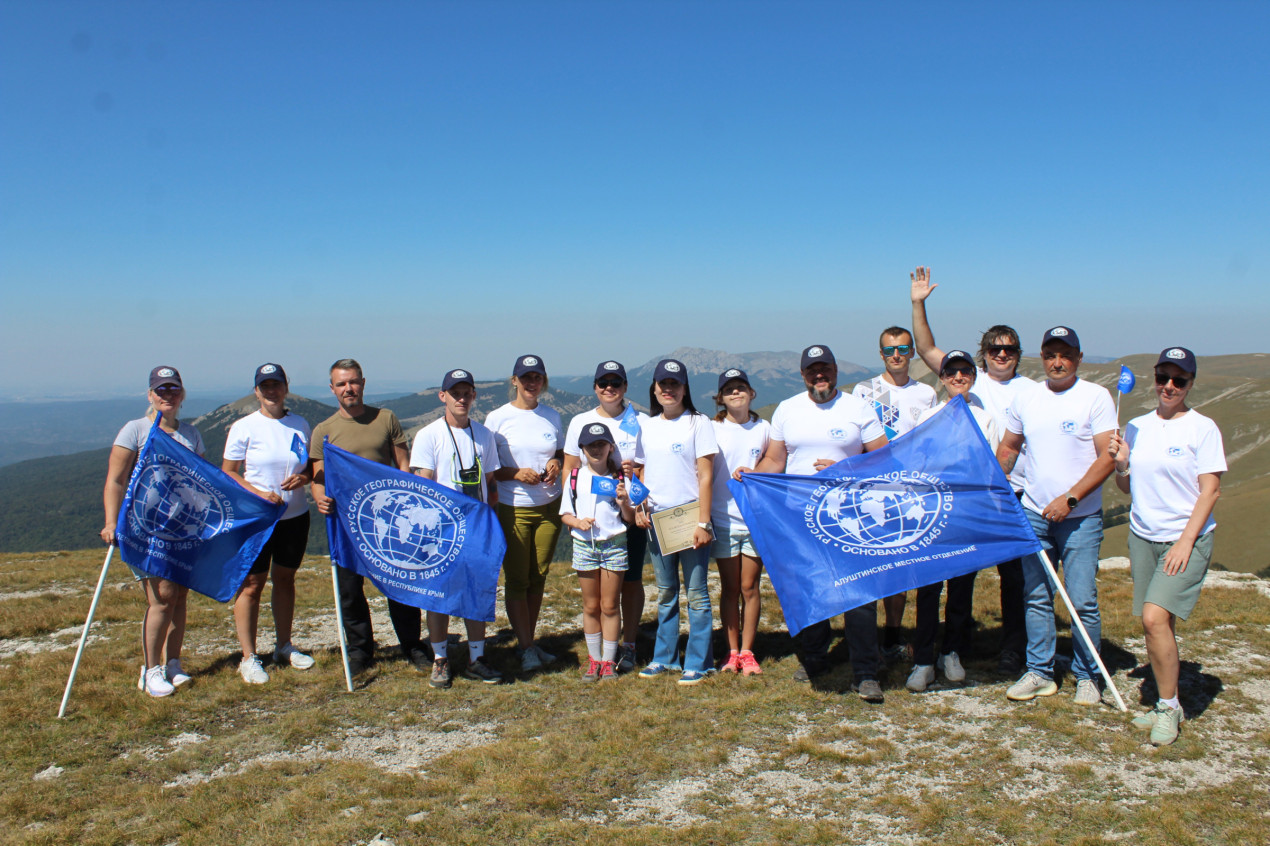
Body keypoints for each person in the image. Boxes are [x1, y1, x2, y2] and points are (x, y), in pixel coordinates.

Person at [910, 265, 1036, 673]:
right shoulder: (971, 382)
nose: (1002, 355)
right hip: (964, 496)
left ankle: (1012, 648)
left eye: (1010, 349)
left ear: (1018, 354)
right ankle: (942, 651)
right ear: (983, 355)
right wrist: (918, 304)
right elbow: (927, 348)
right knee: (952, 574)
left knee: (1013, 578)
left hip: (1014, 492)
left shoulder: (1030, 391)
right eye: (995, 349)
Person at [755, 345, 889, 702]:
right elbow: (775, 458)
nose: (820, 376)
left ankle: (865, 671)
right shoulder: (788, 409)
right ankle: (815, 657)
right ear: (803, 375)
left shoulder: (857, 408)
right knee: (808, 587)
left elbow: (883, 457)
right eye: (813, 371)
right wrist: (751, 477)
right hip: (800, 515)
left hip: (850, 515)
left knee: (859, 593)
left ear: (835, 371)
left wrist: (844, 470)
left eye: (825, 369)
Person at [1108, 347, 1225, 745]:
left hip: (1184, 538)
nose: (1169, 387)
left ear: (1191, 383)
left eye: (1179, 380)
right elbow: (1127, 486)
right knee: (1157, 623)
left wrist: (1185, 544)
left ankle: (1170, 709)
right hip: (1144, 536)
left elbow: (1210, 490)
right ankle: (1164, 701)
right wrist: (1122, 463)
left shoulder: (1202, 428)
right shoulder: (1137, 426)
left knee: (1155, 619)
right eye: (1163, 378)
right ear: (1154, 378)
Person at [996, 327, 1116, 705]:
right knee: (1036, 596)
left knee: (1081, 601)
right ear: (1042, 357)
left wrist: (1072, 498)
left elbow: (1107, 457)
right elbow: (1009, 445)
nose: (1057, 362)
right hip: (1033, 511)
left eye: (1065, 354)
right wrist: (996, 481)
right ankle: (1039, 671)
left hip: (1080, 518)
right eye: (1050, 354)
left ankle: (1087, 675)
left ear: (1078, 358)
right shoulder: (1028, 398)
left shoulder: (1095, 397)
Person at [308, 359, 421, 678]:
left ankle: (411, 645)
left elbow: (403, 464)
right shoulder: (324, 431)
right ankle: (359, 651)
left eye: (353, 382)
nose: (348, 388)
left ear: (363, 383)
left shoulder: (386, 419)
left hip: (388, 520)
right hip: (346, 524)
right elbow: (319, 476)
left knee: (399, 583)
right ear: (332, 388)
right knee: (349, 590)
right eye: (342, 384)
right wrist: (319, 497)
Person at [101, 366, 205, 697]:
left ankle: (172, 663)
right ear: (150, 395)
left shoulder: (191, 434)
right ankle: (151, 669)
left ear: (182, 394)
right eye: (161, 391)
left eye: (173, 390)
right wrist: (110, 521)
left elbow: (203, 483)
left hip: (183, 529)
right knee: (161, 598)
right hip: (145, 529)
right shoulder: (135, 430)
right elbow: (116, 480)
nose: (167, 396)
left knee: (179, 596)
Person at [906, 351, 999, 692]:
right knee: (929, 588)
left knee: (962, 588)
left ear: (973, 376)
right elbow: (917, 463)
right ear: (942, 378)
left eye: (965, 371)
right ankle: (924, 660)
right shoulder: (928, 417)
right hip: (932, 513)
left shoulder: (986, 419)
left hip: (967, 513)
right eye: (951, 372)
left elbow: (989, 469)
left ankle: (953, 652)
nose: (958, 377)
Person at [411, 368, 505, 688]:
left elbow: (490, 483)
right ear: (443, 397)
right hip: (442, 532)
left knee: (476, 594)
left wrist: (488, 522)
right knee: (440, 596)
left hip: (476, 528)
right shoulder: (428, 435)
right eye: (455, 393)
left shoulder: (484, 435)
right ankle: (440, 659)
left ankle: (476, 658)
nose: (461, 399)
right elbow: (422, 485)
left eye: (467, 393)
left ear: (474, 396)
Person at [222, 363, 314, 685]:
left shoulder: (301, 424)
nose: (271, 391)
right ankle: (248, 657)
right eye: (265, 386)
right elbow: (229, 471)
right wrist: (260, 493)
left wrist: (303, 477)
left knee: (285, 579)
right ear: (257, 391)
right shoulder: (243, 426)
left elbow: (312, 467)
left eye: (277, 384)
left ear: (286, 387)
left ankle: (283, 646)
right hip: (257, 519)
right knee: (252, 585)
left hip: (295, 516)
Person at [851, 325, 937, 660]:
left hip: (910, 491)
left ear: (912, 352)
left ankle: (892, 635)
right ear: (881, 354)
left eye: (902, 349)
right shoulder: (864, 390)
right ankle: (865, 635)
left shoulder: (926, 393)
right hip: (872, 490)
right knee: (872, 567)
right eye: (889, 350)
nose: (897, 356)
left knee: (900, 571)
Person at [634, 359, 719, 686]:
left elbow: (706, 476)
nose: (668, 390)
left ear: (685, 389)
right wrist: (638, 507)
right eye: (663, 384)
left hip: (690, 519)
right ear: (655, 388)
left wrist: (704, 522)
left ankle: (699, 661)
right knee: (667, 591)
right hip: (658, 521)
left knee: (696, 593)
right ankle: (665, 657)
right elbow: (640, 472)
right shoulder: (648, 425)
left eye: (675, 384)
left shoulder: (698, 423)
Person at [562, 361, 649, 674]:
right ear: (595, 386)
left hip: (632, 509)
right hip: (593, 519)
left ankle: (629, 643)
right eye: (603, 383)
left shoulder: (642, 420)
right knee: (602, 595)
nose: (609, 389)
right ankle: (606, 653)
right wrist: (572, 506)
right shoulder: (580, 421)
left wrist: (634, 496)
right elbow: (570, 468)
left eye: (616, 383)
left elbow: (646, 465)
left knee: (632, 579)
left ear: (625, 387)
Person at [485, 355, 565, 674]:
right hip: (513, 506)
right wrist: (515, 473)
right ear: (514, 380)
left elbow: (559, 452)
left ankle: (527, 641)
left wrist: (557, 463)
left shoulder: (552, 416)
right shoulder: (497, 419)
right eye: (526, 377)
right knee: (518, 579)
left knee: (538, 575)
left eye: (537, 377)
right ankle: (526, 646)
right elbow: (488, 467)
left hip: (549, 506)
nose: (532, 383)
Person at [560, 423, 636, 681]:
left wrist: (623, 501)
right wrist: (578, 523)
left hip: (614, 545)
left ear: (610, 447)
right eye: (590, 445)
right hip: (584, 544)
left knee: (610, 605)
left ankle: (608, 661)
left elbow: (630, 519)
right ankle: (594, 661)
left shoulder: (619, 479)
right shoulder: (574, 477)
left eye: (601, 444)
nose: (596, 449)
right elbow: (565, 514)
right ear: (581, 448)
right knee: (591, 605)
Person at [709, 368, 771, 675]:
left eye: (741, 387)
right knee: (730, 587)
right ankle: (731, 651)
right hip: (722, 518)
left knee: (751, 586)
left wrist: (757, 472)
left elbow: (776, 465)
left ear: (752, 393)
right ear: (720, 398)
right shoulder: (711, 428)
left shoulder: (764, 428)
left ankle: (748, 651)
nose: (736, 393)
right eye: (729, 389)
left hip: (754, 519)